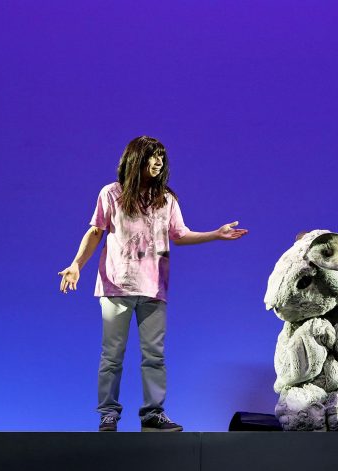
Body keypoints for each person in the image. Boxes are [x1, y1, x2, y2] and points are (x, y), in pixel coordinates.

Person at [58, 136, 248, 432]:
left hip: (154, 287)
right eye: (152, 156)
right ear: (136, 159)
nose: (158, 161)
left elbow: (180, 234)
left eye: (161, 156)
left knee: (154, 356)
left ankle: (152, 414)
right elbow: (96, 231)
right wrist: (76, 265)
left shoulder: (167, 199)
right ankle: (108, 413)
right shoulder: (111, 193)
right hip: (116, 285)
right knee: (112, 355)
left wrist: (215, 234)